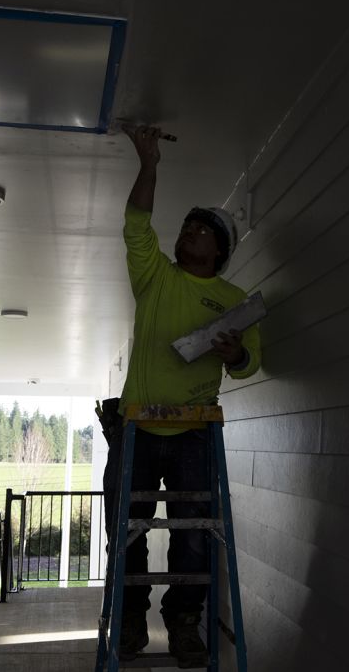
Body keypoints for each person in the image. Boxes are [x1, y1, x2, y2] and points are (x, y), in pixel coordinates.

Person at [101, 124, 262, 666]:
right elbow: (136, 225)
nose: (190, 231)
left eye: (202, 229)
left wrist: (234, 353)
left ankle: (185, 623)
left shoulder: (235, 300)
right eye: (188, 225)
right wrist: (149, 163)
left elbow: (249, 363)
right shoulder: (156, 278)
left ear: (219, 250)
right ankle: (128, 625)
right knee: (129, 534)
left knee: (194, 538)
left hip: (195, 430)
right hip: (138, 427)